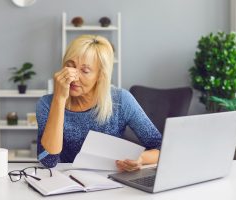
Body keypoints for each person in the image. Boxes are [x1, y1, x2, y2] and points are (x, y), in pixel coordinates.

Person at [36, 35, 161, 171]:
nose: (73, 77)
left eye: (85, 71)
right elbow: (48, 160)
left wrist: (141, 159)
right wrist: (59, 99)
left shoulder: (121, 100)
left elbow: (161, 147)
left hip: (109, 180)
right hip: (64, 182)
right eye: (69, 66)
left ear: (100, 75)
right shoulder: (47, 104)